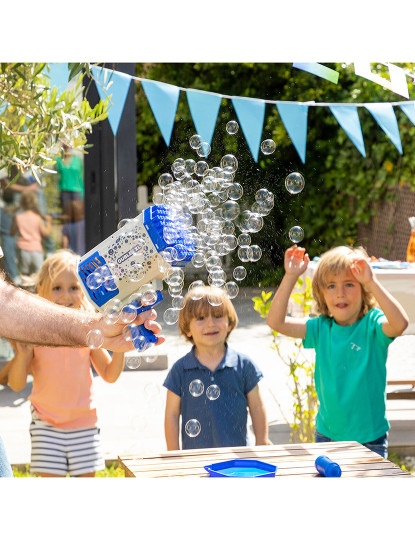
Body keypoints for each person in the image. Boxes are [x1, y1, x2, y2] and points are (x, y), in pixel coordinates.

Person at [0, 263, 164, 478]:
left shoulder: (88, 338)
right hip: (46, 426)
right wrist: (22, 354)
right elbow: (17, 384)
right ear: (40, 292)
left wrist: (120, 346)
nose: (66, 295)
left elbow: (109, 374)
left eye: (74, 288)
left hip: (84, 426)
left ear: (84, 292)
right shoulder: (36, 339)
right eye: (57, 288)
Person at [266, 245, 409, 458]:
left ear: (363, 289)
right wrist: (290, 276)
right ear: (322, 295)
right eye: (331, 286)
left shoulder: (372, 325)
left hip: (369, 440)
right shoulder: (321, 328)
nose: (340, 293)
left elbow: (400, 324)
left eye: (349, 284)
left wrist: (372, 281)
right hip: (327, 437)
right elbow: (275, 322)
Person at [163, 285, 269, 450]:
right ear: (187, 328)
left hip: (238, 456)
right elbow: (171, 414)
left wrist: (262, 442)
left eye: (218, 316)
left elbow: (257, 407)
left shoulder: (243, 365)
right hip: (195, 458)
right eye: (200, 318)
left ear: (229, 323)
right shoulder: (181, 370)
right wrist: (174, 453)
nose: (210, 323)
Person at [10, 190, 52, 279]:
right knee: (38, 277)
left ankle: (24, 292)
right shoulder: (38, 217)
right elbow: (45, 233)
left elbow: (12, 232)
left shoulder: (18, 217)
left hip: (22, 250)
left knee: (25, 276)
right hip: (36, 250)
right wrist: (48, 222)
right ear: (35, 202)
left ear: (21, 202)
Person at [56, 144, 84, 213]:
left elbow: (83, 175)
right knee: (67, 214)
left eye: (67, 147)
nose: (66, 149)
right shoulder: (58, 160)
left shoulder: (78, 160)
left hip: (77, 191)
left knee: (78, 214)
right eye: (64, 147)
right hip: (65, 191)